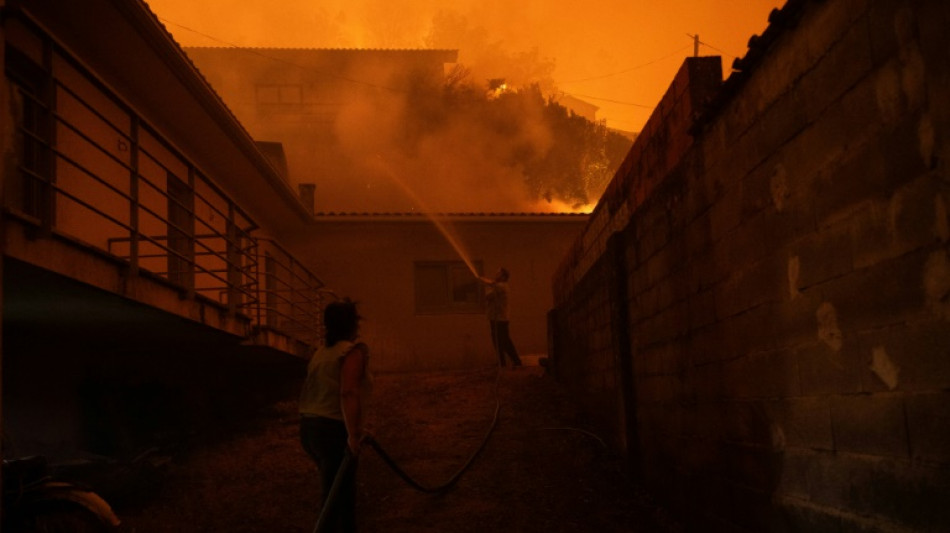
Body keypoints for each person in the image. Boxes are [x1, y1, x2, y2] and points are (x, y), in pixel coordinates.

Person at [299, 299, 371, 533]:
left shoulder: (321, 353)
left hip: (309, 428)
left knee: (339, 490)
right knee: (335, 494)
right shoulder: (350, 352)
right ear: (351, 325)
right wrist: (353, 434)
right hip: (332, 430)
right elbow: (348, 392)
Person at [480, 267, 523, 368]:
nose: (496, 275)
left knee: (504, 341)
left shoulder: (502, 287)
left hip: (500, 320)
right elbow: (489, 291)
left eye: (498, 273)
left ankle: (516, 361)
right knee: (498, 342)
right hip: (495, 319)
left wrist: (481, 279)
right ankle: (502, 363)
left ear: (503, 277)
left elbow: (490, 289)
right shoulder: (498, 287)